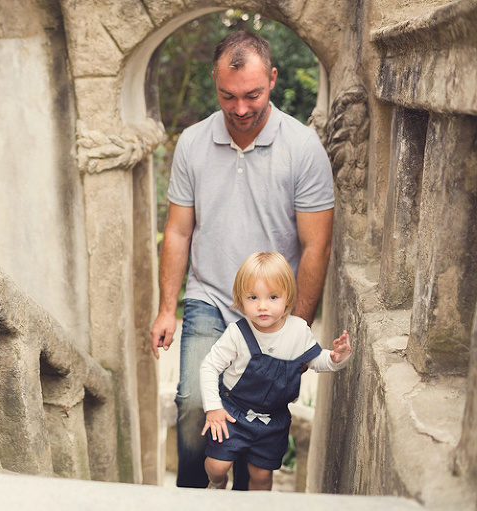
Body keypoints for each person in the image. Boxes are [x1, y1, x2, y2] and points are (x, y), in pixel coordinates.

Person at [149, 30, 335, 489]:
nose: (240, 108)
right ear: (215, 81)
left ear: (272, 78)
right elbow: (178, 231)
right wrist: (168, 308)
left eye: (252, 94)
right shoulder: (192, 143)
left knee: (260, 412)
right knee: (194, 401)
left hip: (272, 306)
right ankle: (193, 496)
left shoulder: (303, 147)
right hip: (210, 295)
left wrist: (298, 328)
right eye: (228, 96)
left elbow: (316, 246)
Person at [200, 251, 351, 490]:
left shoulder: (298, 331)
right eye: (252, 297)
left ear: (287, 297)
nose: (262, 306)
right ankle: (217, 483)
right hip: (233, 412)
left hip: (273, 420)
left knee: (261, 476)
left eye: (272, 297)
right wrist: (213, 408)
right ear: (240, 298)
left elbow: (316, 360)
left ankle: (258, 504)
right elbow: (209, 366)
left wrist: (335, 358)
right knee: (217, 465)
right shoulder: (237, 333)